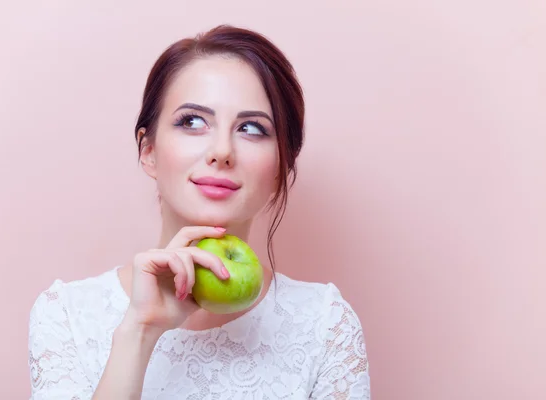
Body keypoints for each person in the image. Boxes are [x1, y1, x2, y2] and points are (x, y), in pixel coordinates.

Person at [28, 25, 371, 400]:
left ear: (281, 168)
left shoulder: (324, 326)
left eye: (252, 128)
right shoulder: (67, 316)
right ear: (149, 151)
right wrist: (139, 333)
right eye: (192, 121)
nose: (222, 150)